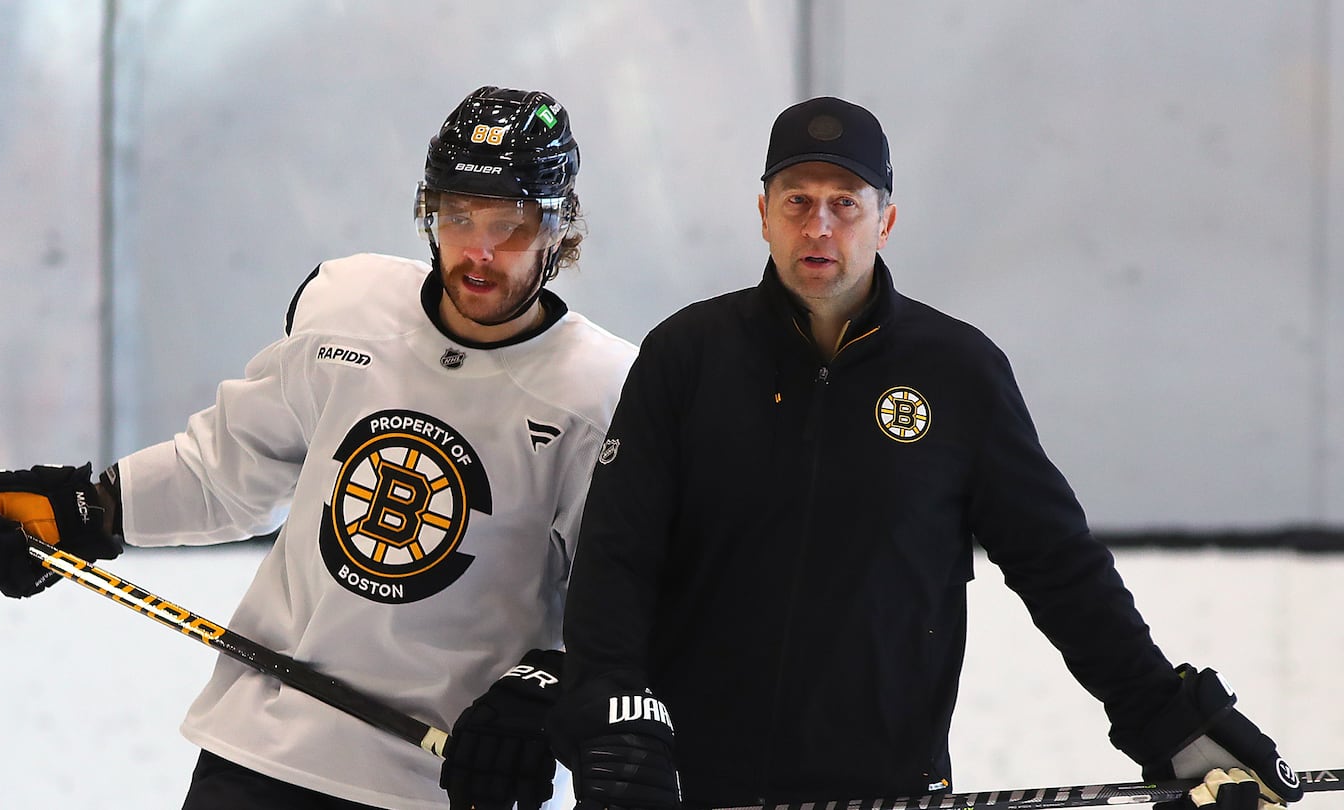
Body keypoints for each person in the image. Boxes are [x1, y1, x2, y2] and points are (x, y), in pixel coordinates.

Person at [544, 96, 1305, 810]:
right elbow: (617, 556)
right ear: (763, 215)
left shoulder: (958, 372)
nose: (819, 226)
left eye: (845, 203)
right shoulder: (688, 356)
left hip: (886, 786)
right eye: (797, 201)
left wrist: (1170, 719)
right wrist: (611, 709)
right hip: (696, 782)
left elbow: (1059, 566)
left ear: (886, 219)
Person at [0, 85, 637, 810]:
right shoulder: (347, 310)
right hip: (261, 753)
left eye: (510, 226)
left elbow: (623, 594)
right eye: (457, 216)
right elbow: (227, 472)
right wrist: (88, 511)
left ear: (559, 229)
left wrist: (545, 687)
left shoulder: (604, 391)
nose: (479, 251)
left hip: (447, 780)